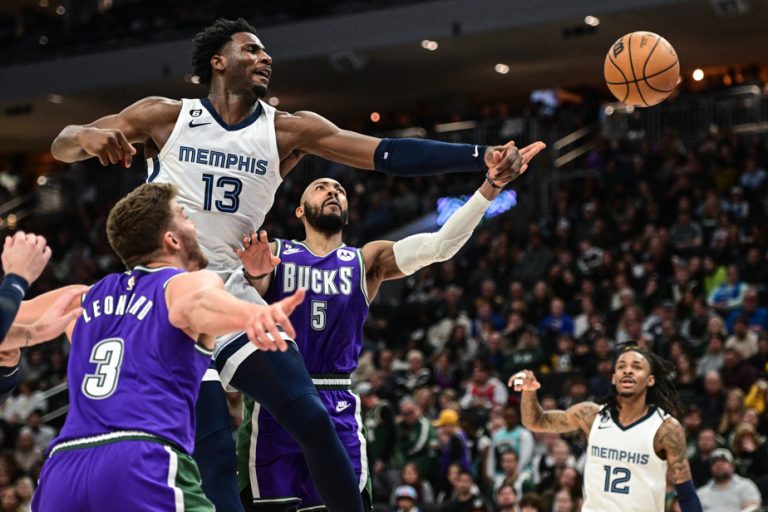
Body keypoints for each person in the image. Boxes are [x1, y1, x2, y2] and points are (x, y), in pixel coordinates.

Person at [50, 17, 543, 512]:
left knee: (311, 419)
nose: (265, 58)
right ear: (218, 61)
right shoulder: (164, 115)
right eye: (251, 50)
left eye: (266, 52)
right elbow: (63, 142)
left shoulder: (286, 129)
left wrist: (480, 155)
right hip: (165, 290)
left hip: (228, 290)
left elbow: (384, 153)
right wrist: (87, 138)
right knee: (215, 453)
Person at [235, 169, 538, 510]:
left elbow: (439, 246)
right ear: (301, 210)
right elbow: (253, 294)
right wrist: (255, 275)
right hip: (278, 399)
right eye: (320, 186)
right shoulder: (275, 252)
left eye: (339, 190)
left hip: (335, 399)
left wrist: (489, 188)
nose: (332, 192)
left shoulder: (366, 260)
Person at [31, 182, 305, 511]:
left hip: (64, 469)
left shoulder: (83, 297)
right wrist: (250, 313)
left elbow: (12, 325)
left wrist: (16, 281)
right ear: (171, 240)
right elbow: (198, 302)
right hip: (140, 461)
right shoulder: (183, 282)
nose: (194, 225)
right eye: (186, 217)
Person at [510, 345, 703, 512]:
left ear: (650, 380)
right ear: (613, 378)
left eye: (636, 367)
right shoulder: (591, 416)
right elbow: (536, 421)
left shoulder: (665, 428)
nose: (627, 371)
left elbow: (686, 492)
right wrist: (529, 391)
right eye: (621, 367)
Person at [696, 448, 761, 512]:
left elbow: (752, 507)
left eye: (723, 461)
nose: (718, 465)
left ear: (732, 466)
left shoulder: (745, 486)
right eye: (714, 463)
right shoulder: (701, 493)